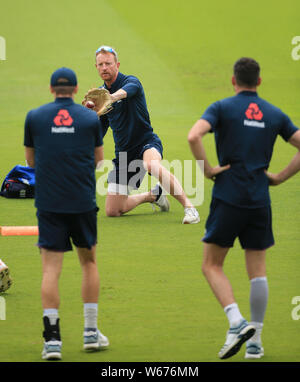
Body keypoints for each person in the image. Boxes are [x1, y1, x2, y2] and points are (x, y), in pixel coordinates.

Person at [188, 57, 300, 359]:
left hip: (228, 196)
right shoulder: (274, 113)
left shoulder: (222, 108)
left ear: (233, 81)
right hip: (259, 199)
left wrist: (208, 170)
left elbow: (193, 135)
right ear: (259, 82)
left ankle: (236, 321)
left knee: (211, 264)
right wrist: (278, 177)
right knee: (258, 272)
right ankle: (256, 342)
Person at [24, 67, 109, 360]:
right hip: (82, 203)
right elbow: (99, 162)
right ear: (76, 90)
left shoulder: (34, 117)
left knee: (50, 270)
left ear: (51, 90)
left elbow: (31, 162)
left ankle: (52, 341)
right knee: (89, 263)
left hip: (49, 204)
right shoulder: (89, 118)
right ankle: (90, 333)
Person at [91, 45, 199, 224]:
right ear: (96, 67)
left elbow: (127, 92)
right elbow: (98, 133)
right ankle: (154, 195)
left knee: (151, 165)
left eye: (108, 63)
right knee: (113, 210)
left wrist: (111, 98)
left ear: (117, 64)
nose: (104, 67)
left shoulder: (130, 82)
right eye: (100, 64)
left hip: (146, 144)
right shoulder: (100, 98)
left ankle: (190, 209)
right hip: (124, 155)